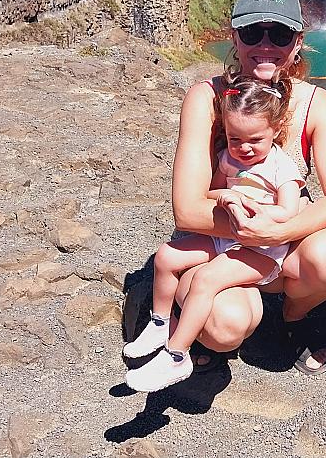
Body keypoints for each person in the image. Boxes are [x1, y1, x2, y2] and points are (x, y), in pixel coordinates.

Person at [144, 0, 326, 378]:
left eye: (280, 34)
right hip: (216, 240)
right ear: (235, 37)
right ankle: (186, 322)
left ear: (298, 42)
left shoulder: (316, 104)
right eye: (253, 32)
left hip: (280, 240)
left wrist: (278, 231)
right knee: (225, 328)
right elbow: (187, 210)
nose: (266, 45)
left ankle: (292, 318)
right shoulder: (207, 98)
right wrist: (250, 229)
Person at [124, 76, 306, 392]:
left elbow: (288, 212)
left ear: (275, 130)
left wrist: (255, 212)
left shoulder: (282, 168)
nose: (244, 148)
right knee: (167, 256)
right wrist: (226, 197)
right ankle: (160, 323)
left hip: (262, 251)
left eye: (255, 139)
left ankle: (177, 354)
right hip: (227, 238)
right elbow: (211, 192)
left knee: (206, 280)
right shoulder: (228, 159)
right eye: (235, 139)